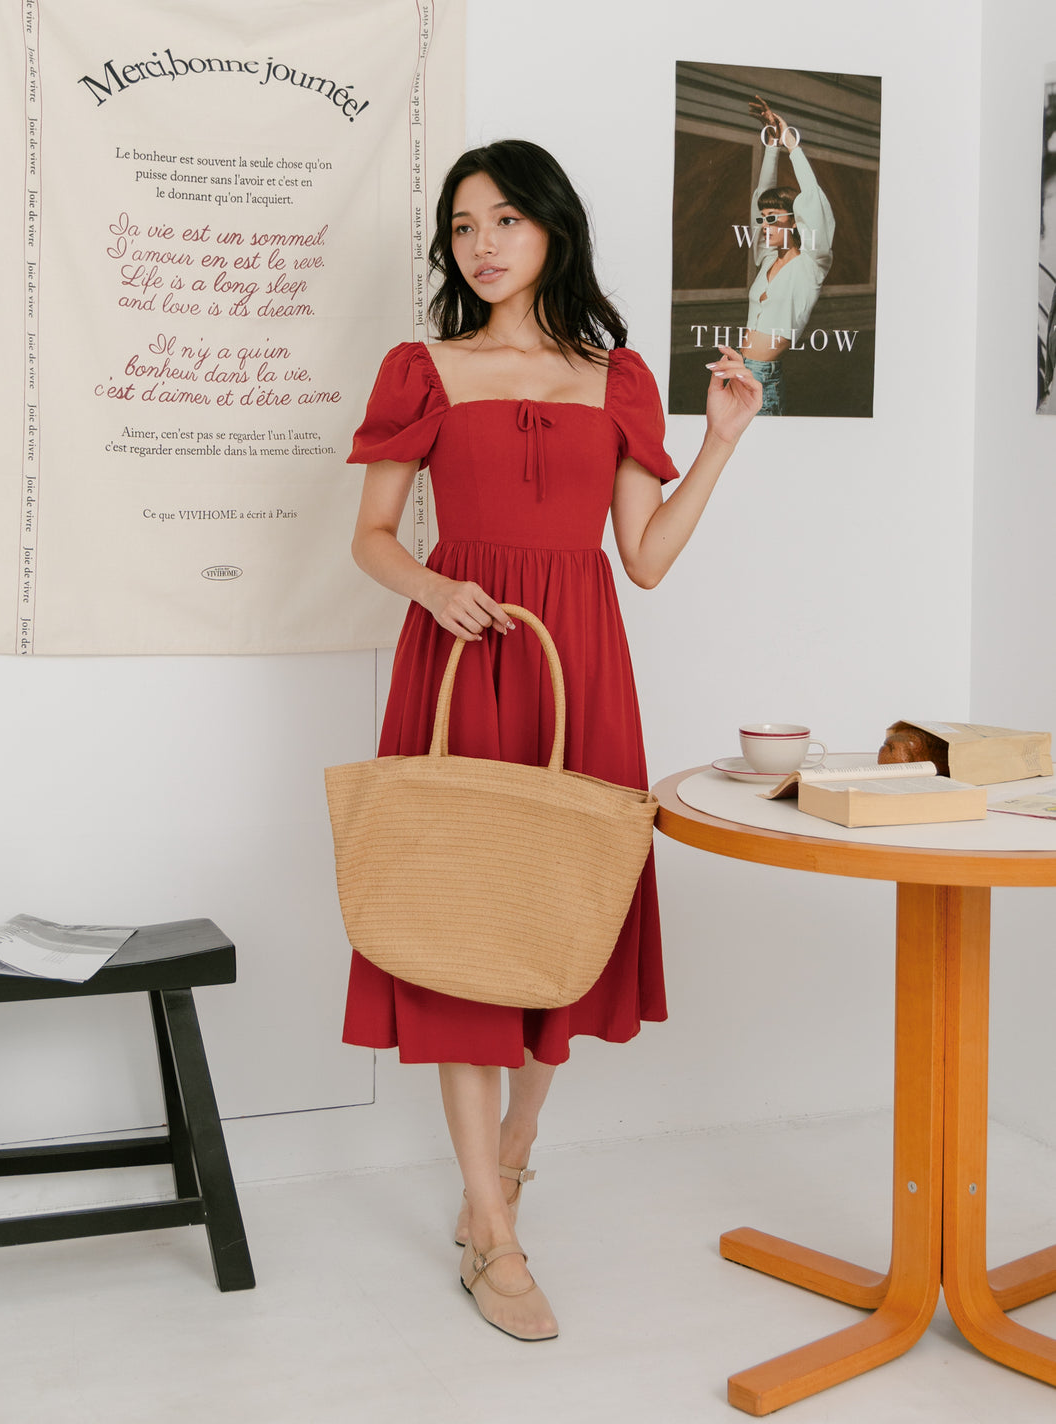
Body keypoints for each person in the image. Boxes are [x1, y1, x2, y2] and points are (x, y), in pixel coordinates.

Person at [344, 139, 760, 1342]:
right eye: (461, 225)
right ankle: (492, 1227)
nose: (481, 244)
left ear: (551, 229)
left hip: (578, 671)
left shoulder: (615, 375)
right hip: (461, 660)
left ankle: (516, 1144)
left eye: (505, 220)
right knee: (459, 928)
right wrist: (432, 588)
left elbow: (643, 556)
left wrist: (719, 439)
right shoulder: (423, 367)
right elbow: (371, 534)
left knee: (558, 916)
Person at [740, 96, 835, 415]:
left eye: (773, 219)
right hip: (740, 372)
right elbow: (760, 196)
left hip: (764, 382)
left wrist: (790, 142)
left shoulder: (812, 265)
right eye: (762, 219)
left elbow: (813, 201)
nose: (764, 225)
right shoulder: (767, 259)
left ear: (794, 221)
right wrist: (772, 145)